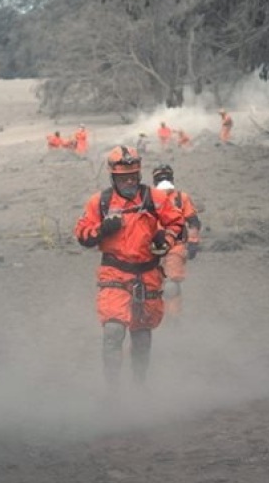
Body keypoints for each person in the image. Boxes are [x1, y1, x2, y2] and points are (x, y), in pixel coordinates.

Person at [75, 146, 184, 387]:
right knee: (113, 331)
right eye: (123, 178)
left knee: (142, 336)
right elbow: (82, 235)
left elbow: (177, 223)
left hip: (148, 274)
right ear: (113, 177)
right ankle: (112, 389)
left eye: (133, 176)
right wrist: (102, 229)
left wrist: (165, 240)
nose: (129, 182)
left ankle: (139, 386)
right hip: (114, 273)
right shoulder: (100, 202)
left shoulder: (154, 198)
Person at [151, 164, 201, 321]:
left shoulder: (181, 198)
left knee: (171, 285)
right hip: (152, 248)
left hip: (175, 247)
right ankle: (155, 316)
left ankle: (172, 318)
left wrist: (193, 242)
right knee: (151, 284)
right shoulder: (148, 198)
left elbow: (193, 222)